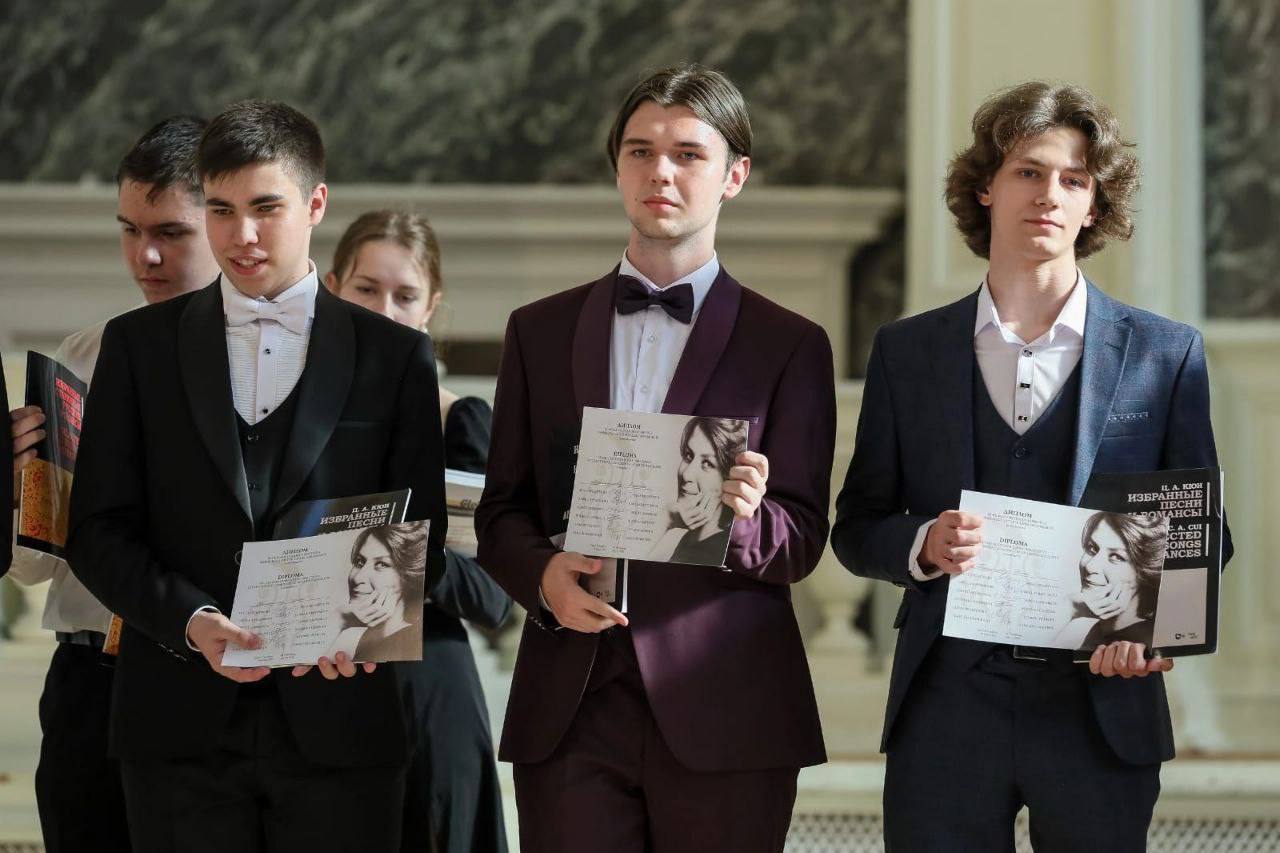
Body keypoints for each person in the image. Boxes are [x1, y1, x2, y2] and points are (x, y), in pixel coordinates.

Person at [831, 81, 1233, 852]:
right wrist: (923, 543)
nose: (1050, 194)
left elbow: (1205, 534)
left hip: (1100, 709)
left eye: (1074, 179)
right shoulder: (907, 352)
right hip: (945, 707)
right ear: (986, 186)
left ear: (1094, 204)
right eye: (1028, 171)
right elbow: (857, 526)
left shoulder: (1164, 352)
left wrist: (1151, 630)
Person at [66, 100, 447, 853]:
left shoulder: (396, 356)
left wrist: (355, 623)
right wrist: (190, 621)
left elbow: (422, 538)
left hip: (342, 720)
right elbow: (98, 531)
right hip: (176, 726)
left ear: (316, 204)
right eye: (221, 210)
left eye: (265, 208)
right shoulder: (136, 347)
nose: (241, 235)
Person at [475, 65, 835, 853]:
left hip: (725, 707)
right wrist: (544, 578)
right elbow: (502, 512)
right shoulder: (537, 331)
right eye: (640, 151)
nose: (660, 172)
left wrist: (744, 519)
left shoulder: (789, 344)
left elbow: (803, 537)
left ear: (735, 175)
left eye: (688, 154)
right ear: (617, 168)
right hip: (571, 704)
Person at [7, 115, 221, 853]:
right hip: (86, 675)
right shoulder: (84, 353)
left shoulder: (264, 360)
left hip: (199, 675)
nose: (144, 255)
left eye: (170, 232)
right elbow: (34, 566)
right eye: (128, 230)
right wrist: (20, 485)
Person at [326, 209, 509, 853]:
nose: (385, 311)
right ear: (331, 290)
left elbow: (494, 599)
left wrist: (406, 552)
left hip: (426, 692)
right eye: (366, 290)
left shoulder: (462, 422)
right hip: (313, 693)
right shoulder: (291, 418)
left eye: (405, 295)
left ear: (431, 307)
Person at [1054, 511, 1167, 649]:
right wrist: (1073, 606)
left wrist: (1072, 608)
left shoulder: (1141, 644)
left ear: (1144, 572)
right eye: (1092, 548)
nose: (1090, 566)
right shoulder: (1100, 632)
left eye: (1116, 557)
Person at [648, 416, 745, 564]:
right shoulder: (688, 540)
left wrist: (668, 519)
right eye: (688, 455)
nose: (686, 474)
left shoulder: (714, 549)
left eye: (707, 463)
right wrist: (669, 516)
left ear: (728, 477)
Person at [327, 522, 428, 662]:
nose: (358, 577)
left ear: (407, 576)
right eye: (360, 562)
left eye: (382, 564)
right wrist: (341, 618)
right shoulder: (352, 637)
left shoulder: (416, 642)